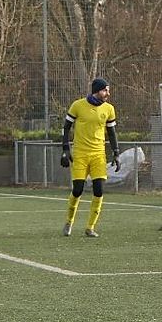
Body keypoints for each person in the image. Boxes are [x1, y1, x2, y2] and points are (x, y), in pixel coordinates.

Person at [60, 78, 121, 237]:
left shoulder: (109, 109)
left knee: (99, 190)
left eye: (108, 90)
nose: (108, 93)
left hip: (98, 155)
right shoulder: (77, 105)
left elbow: (112, 133)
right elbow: (66, 128)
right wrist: (65, 149)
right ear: (97, 91)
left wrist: (116, 153)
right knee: (78, 190)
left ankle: (90, 227)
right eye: (105, 90)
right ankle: (69, 221)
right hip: (80, 154)